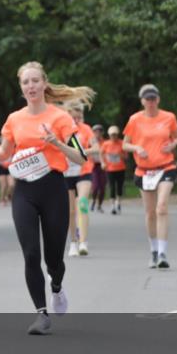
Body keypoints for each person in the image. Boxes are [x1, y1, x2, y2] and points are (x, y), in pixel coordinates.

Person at [0, 62, 92, 335]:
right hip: (24, 190)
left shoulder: (61, 118)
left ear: (44, 83)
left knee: (54, 259)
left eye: (35, 80)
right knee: (30, 254)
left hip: (53, 189)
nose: (31, 86)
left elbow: (80, 157)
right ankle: (41, 314)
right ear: (21, 87)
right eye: (26, 82)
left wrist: (57, 143)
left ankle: (57, 287)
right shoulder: (14, 119)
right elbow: (4, 152)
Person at [122, 84, 177, 269]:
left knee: (161, 207)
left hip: (166, 167)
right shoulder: (135, 119)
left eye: (153, 99)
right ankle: (154, 251)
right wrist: (137, 148)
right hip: (144, 170)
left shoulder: (169, 117)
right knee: (150, 213)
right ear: (142, 101)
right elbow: (125, 144)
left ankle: (163, 253)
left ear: (158, 99)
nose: (151, 102)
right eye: (147, 99)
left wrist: (173, 145)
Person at [63, 104, 96, 257]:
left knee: (82, 203)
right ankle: (73, 242)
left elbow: (97, 148)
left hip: (84, 171)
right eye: (73, 118)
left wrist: (81, 152)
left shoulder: (86, 129)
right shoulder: (62, 129)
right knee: (70, 210)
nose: (76, 120)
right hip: (67, 172)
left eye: (78, 117)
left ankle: (83, 242)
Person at [102, 126, 126, 214]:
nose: (113, 136)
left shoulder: (122, 143)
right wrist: (103, 162)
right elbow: (101, 153)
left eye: (115, 135)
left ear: (117, 135)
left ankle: (118, 202)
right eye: (112, 135)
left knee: (119, 187)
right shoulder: (106, 144)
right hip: (110, 169)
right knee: (112, 187)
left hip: (120, 168)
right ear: (109, 135)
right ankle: (112, 206)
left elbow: (126, 156)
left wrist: (119, 155)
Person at [89, 124, 107, 212]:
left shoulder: (105, 142)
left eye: (99, 132)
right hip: (93, 166)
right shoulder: (90, 142)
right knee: (95, 186)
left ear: (102, 133)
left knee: (102, 188)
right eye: (95, 132)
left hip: (103, 166)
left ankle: (99, 205)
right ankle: (93, 200)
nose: (97, 133)